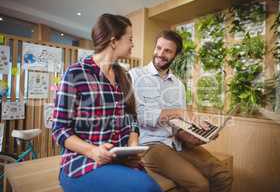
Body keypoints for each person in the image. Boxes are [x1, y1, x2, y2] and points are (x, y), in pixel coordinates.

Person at [52, 14, 162, 192]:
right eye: (130, 39)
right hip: (82, 163)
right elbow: (59, 130)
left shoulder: (124, 76)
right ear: (113, 41)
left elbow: (132, 119)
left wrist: (133, 146)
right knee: (147, 187)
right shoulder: (75, 73)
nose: (133, 44)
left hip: (119, 160)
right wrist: (93, 151)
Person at [129, 30, 233, 192]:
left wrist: (195, 136)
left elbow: (178, 127)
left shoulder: (178, 85)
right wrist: (179, 112)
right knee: (200, 184)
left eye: (168, 51)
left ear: (175, 55)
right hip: (150, 145)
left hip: (177, 143)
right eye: (159, 48)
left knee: (223, 174)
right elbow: (141, 117)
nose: (160, 54)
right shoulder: (135, 76)